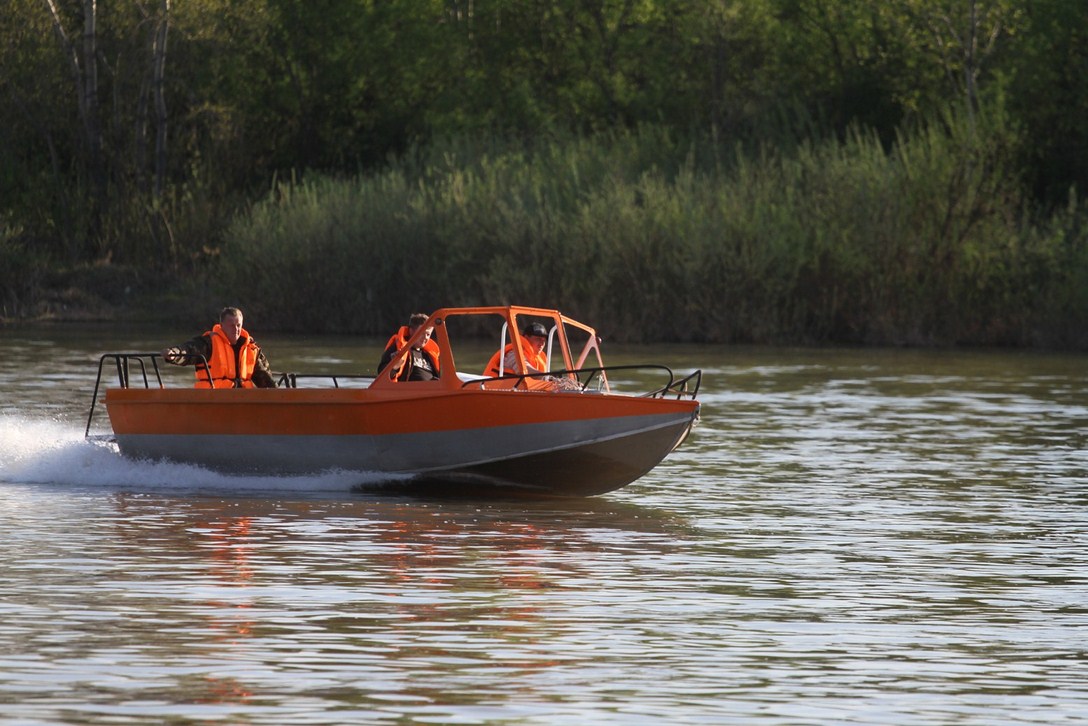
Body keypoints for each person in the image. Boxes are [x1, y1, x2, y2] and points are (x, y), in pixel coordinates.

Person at [161, 306, 276, 388]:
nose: (236, 329)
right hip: (213, 399)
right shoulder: (209, 343)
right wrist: (173, 354)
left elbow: (265, 379)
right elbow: (189, 350)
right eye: (231, 325)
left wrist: (279, 395)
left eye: (238, 325)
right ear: (222, 326)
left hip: (243, 400)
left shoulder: (251, 349)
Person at [378, 313, 441, 381]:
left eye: (428, 334)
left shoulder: (428, 355)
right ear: (411, 331)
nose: (425, 337)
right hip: (409, 387)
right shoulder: (399, 349)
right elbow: (382, 375)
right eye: (422, 333)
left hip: (434, 386)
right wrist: (394, 367)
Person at [484, 322, 548, 378]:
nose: (542, 343)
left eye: (544, 340)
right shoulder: (513, 353)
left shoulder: (539, 358)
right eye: (538, 339)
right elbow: (524, 369)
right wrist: (547, 377)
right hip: (494, 387)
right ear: (526, 338)